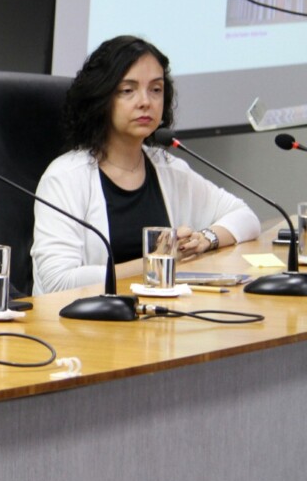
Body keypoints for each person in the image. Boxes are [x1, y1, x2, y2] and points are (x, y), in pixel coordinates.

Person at [31, 36, 260, 294]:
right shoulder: (66, 177)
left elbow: (246, 217)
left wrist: (206, 239)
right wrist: (155, 262)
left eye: (156, 89)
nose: (146, 102)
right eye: (128, 90)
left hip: (158, 318)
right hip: (85, 323)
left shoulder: (168, 168)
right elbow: (57, 282)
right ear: (101, 98)